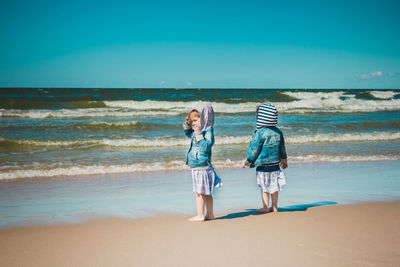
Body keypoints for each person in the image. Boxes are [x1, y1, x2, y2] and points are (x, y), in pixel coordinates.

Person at [242, 103, 288, 213]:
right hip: (275, 164)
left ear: (261, 118)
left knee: (265, 187)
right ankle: (275, 207)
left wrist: (247, 161)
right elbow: (282, 147)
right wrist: (284, 159)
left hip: (263, 165)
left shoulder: (260, 133)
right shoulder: (278, 132)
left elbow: (254, 150)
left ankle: (266, 207)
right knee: (274, 187)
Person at [183, 103, 222, 221]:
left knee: (200, 193)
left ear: (205, 118)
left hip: (202, 167)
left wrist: (199, 133)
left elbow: (207, 147)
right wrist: (187, 125)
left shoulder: (207, 132)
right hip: (197, 167)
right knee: (205, 192)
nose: (193, 123)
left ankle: (201, 215)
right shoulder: (196, 131)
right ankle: (210, 215)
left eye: (195, 120)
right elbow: (188, 134)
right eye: (192, 120)